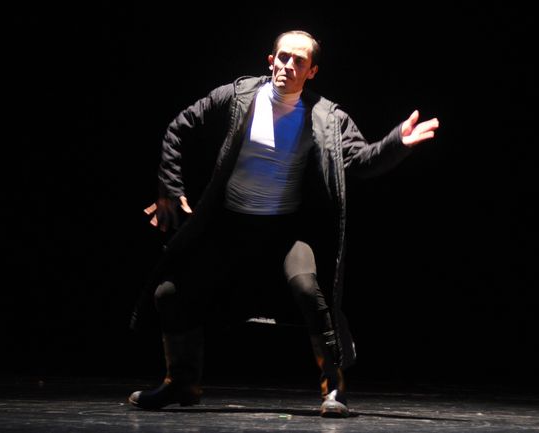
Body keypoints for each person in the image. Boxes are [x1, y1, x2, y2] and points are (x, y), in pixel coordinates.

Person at [128, 30, 439, 418]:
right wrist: (170, 189)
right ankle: (182, 383)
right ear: (271, 60)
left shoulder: (326, 117)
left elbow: (360, 160)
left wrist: (397, 143)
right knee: (169, 293)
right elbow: (179, 127)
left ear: (312, 72)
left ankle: (334, 388)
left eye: (299, 61)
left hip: (284, 232)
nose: (289, 66)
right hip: (232, 228)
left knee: (308, 288)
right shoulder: (238, 97)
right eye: (283, 57)